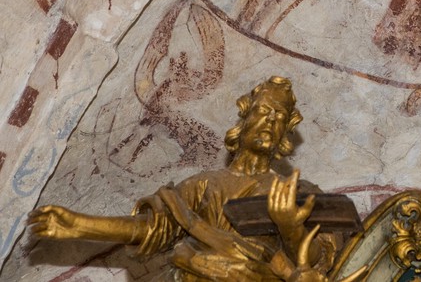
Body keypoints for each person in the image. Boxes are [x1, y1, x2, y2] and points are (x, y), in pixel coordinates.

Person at [28, 76, 336, 282]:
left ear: (285, 134)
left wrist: (291, 228)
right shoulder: (203, 184)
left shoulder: (299, 192)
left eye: (280, 117)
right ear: (244, 119)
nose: (271, 120)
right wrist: (80, 225)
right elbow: (153, 227)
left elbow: (320, 263)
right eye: (264, 111)